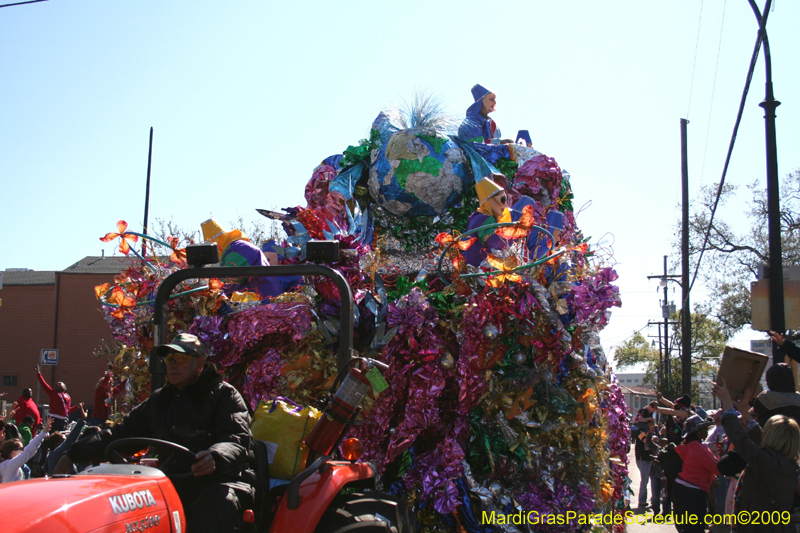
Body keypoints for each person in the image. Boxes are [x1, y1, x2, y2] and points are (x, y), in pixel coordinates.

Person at [56, 333, 255, 533]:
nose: (173, 365)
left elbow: (236, 439)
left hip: (220, 479)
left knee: (217, 503)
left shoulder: (224, 395)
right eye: (169, 359)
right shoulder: (161, 401)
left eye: (181, 359)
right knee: (129, 503)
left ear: (200, 362)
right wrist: (74, 453)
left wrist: (215, 457)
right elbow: (121, 434)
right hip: (175, 483)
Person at [713, 378, 800, 533]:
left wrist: (727, 402)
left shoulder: (768, 462)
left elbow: (740, 438)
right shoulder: (785, 462)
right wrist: (743, 406)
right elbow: (755, 433)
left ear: (772, 436)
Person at [463, 176, 564, 268]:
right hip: (478, 268)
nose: (504, 205)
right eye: (502, 200)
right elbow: (496, 242)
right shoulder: (484, 218)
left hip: (473, 266)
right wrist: (514, 238)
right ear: (491, 201)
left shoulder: (477, 217)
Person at [672, 414, 718, 533]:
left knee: (685, 528)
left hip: (681, 489)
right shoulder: (697, 447)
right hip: (692, 493)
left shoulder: (687, 446)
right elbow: (717, 468)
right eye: (704, 428)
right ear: (698, 431)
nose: (706, 431)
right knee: (695, 529)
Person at [0, 417, 52, 483]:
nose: (23, 450)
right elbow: (29, 451)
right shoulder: (10, 465)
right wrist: (43, 432)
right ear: (13, 452)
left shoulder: (6, 464)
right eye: (21, 449)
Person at [36, 365, 80, 432]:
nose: (58, 384)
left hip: (63, 419)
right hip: (53, 418)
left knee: (60, 436)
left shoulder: (68, 396)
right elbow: (43, 384)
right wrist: (39, 374)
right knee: (52, 434)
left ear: (65, 388)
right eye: (57, 384)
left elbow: (67, 410)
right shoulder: (53, 393)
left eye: (60, 384)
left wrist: (77, 407)